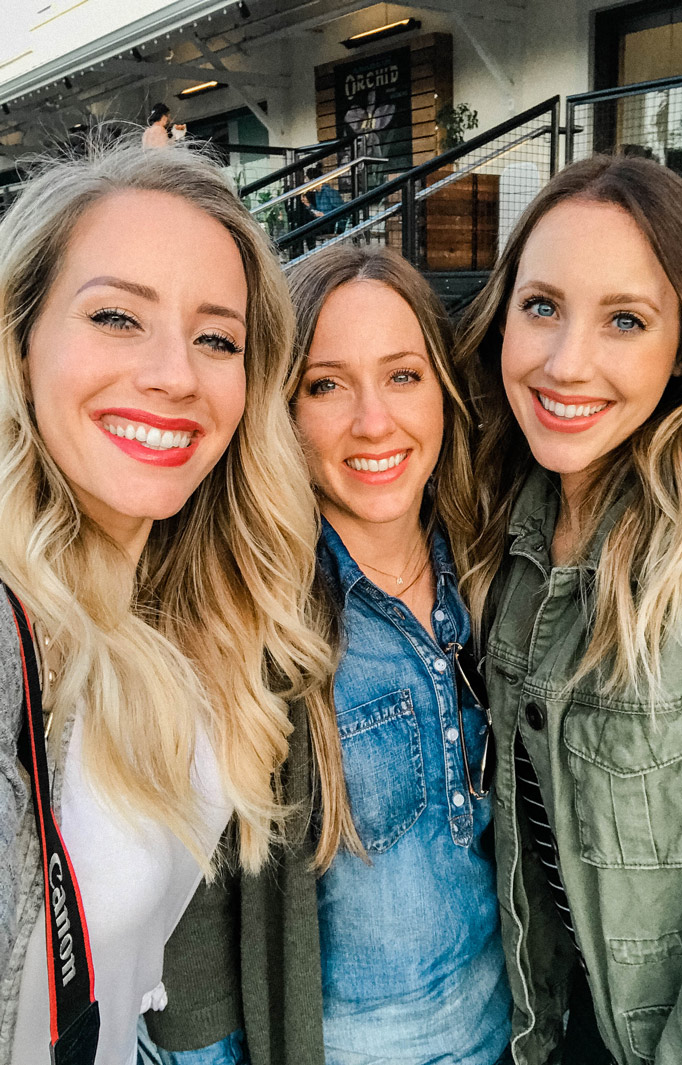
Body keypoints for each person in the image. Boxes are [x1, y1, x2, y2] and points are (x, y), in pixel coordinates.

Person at [456, 153, 682, 1064]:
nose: (567, 363)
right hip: (545, 1028)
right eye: (542, 307)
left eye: (625, 320)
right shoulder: (505, 520)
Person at [0, 139, 338, 1065]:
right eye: (117, 317)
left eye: (217, 338)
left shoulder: (197, 607)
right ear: (21, 337)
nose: (175, 374)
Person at [145, 244, 514, 1065]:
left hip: (511, 1029)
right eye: (326, 385)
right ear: (281, 407)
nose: (373, 421)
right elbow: (193, 929)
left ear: (445, 391)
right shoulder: (246, 613)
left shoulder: (494, 570)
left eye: (403, 375)